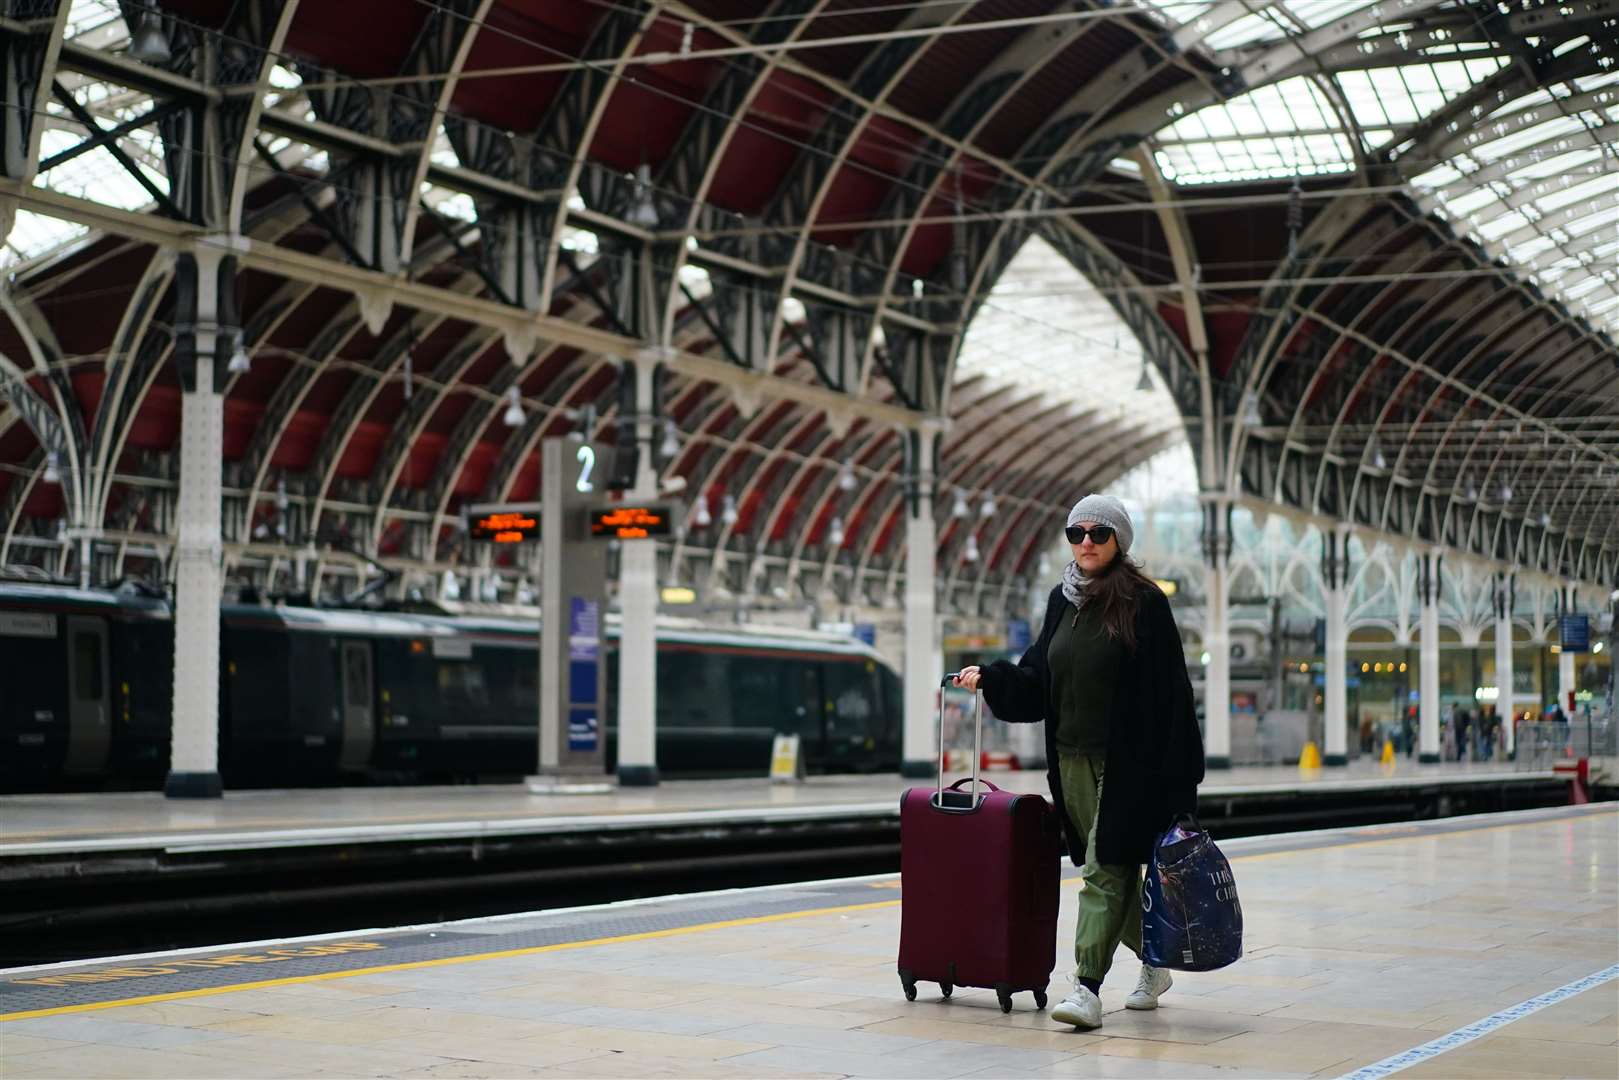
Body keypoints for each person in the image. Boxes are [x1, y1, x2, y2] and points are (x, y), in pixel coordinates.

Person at [952, 494, 1204, 1032]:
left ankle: (1086, 988)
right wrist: (992, 679)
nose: (1085, 542)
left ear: (1119, 541)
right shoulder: (1061, 602)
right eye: (1076, 532)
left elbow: (1173, 696)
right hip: (1069, 762)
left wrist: (1181, 782)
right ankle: (1155, 963)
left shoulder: (1144, 604)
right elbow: (1036, 678)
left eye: (1098, 533)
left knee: (1103, 872)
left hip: (1129, 765)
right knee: (1110, 871)